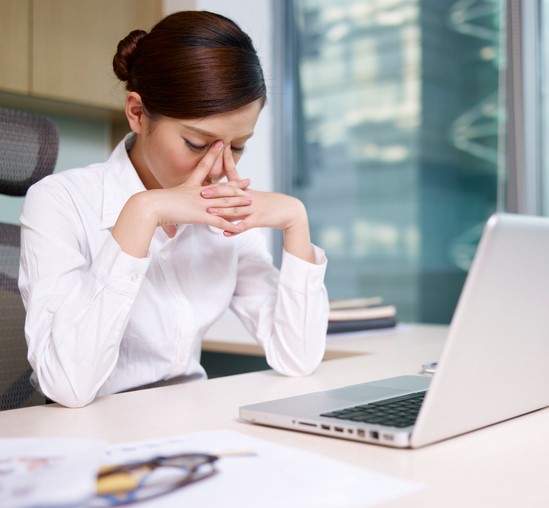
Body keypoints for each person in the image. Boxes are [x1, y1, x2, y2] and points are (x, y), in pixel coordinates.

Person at [18, 11, 329, 408]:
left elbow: (297, 357)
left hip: (188, 422)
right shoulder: (60, 201)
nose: (219, 168)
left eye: (237, 147)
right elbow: (67, 386)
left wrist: (296, 221)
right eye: (198, 145)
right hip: (88, 436)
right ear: (137, 114)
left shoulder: (225, 211)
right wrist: (143, 212)